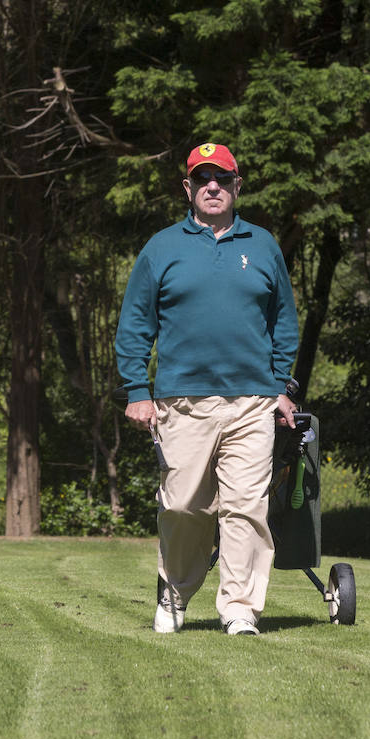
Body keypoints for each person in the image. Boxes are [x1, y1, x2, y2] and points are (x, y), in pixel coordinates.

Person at [115, 142, 299, 636]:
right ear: (189, 188)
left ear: (237, 186)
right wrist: (137, 389)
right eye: (202, 179)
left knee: (246, 507)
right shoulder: (161, 248)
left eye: (221, 179)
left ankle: (240, 608)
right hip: (182, 402)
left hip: (252, 401)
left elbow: (284, 321)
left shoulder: (262, 246)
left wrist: (281, 385)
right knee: (182, 506)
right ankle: (174, 594)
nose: (212, 187)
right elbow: (135, 323)